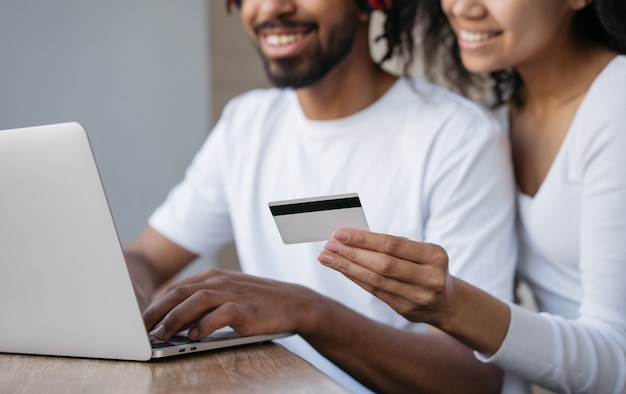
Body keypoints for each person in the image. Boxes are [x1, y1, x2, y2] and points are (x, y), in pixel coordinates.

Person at [124, 0, 520, 392]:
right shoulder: (245, 124)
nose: (271, 8)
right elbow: (144, 256)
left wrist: (307, 312)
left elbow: (472, 376)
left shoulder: (458, 138)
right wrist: (126, 300)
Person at [318, 0, 626, 392]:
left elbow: (619, 358)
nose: (463, 7)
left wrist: (452, 305)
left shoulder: (617, 104)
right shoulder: (498, 114)